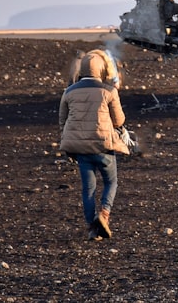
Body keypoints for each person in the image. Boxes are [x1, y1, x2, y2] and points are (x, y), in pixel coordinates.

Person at [59, 49, 131, 241]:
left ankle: (92, 228)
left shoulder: (69, 92)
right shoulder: (109, 91)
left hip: (81, 150)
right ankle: (104, 214)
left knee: (88, 189)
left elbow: (63, 121)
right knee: (111, 182)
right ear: (101, 69)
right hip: (103, 147)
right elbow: (119, 120)